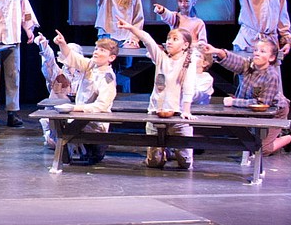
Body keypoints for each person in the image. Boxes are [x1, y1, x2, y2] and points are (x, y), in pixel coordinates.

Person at [119, 20, 197, 170]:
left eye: (175, 39)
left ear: (185, 45)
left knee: (185, 163)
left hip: (177, 115)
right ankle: (162, 152)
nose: (169, 42)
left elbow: (188, 87)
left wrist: (186, 110)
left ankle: (170, 149)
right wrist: (131, 28)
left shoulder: (189, 61)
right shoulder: (161, 58)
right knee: (154, 162)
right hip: (157, 113)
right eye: (168, 39)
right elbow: (148, 40)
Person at [199, 39, 291, 155]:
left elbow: (261, 105)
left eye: (262, 51)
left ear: (272, 58)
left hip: (275, 112)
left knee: (262, 149)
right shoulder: (248, 65)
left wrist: (234, 102)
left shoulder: (271, 76)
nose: (257, 53)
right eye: (256, 50)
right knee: (248, 141)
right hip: (252, 109)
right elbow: (233, 60)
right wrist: (217, 51)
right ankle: (273, 136)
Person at [51, 33, 120, 165]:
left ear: (111, 58)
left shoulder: (107, 77)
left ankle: (87, 149)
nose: (97, 52)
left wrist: (76, 108)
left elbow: (102, 106)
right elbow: (74, 59)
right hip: (81, 119)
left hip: (95, 124)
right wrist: (62, 44)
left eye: (102, 50)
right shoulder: (91, 65)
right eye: (96, 49)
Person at [33, 33, 82, 148]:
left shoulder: (86, 75)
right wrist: (44, 45)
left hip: (78, 118)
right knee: (55, 141)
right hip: (57, 120)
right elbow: (49, 62)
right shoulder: (57, 74)